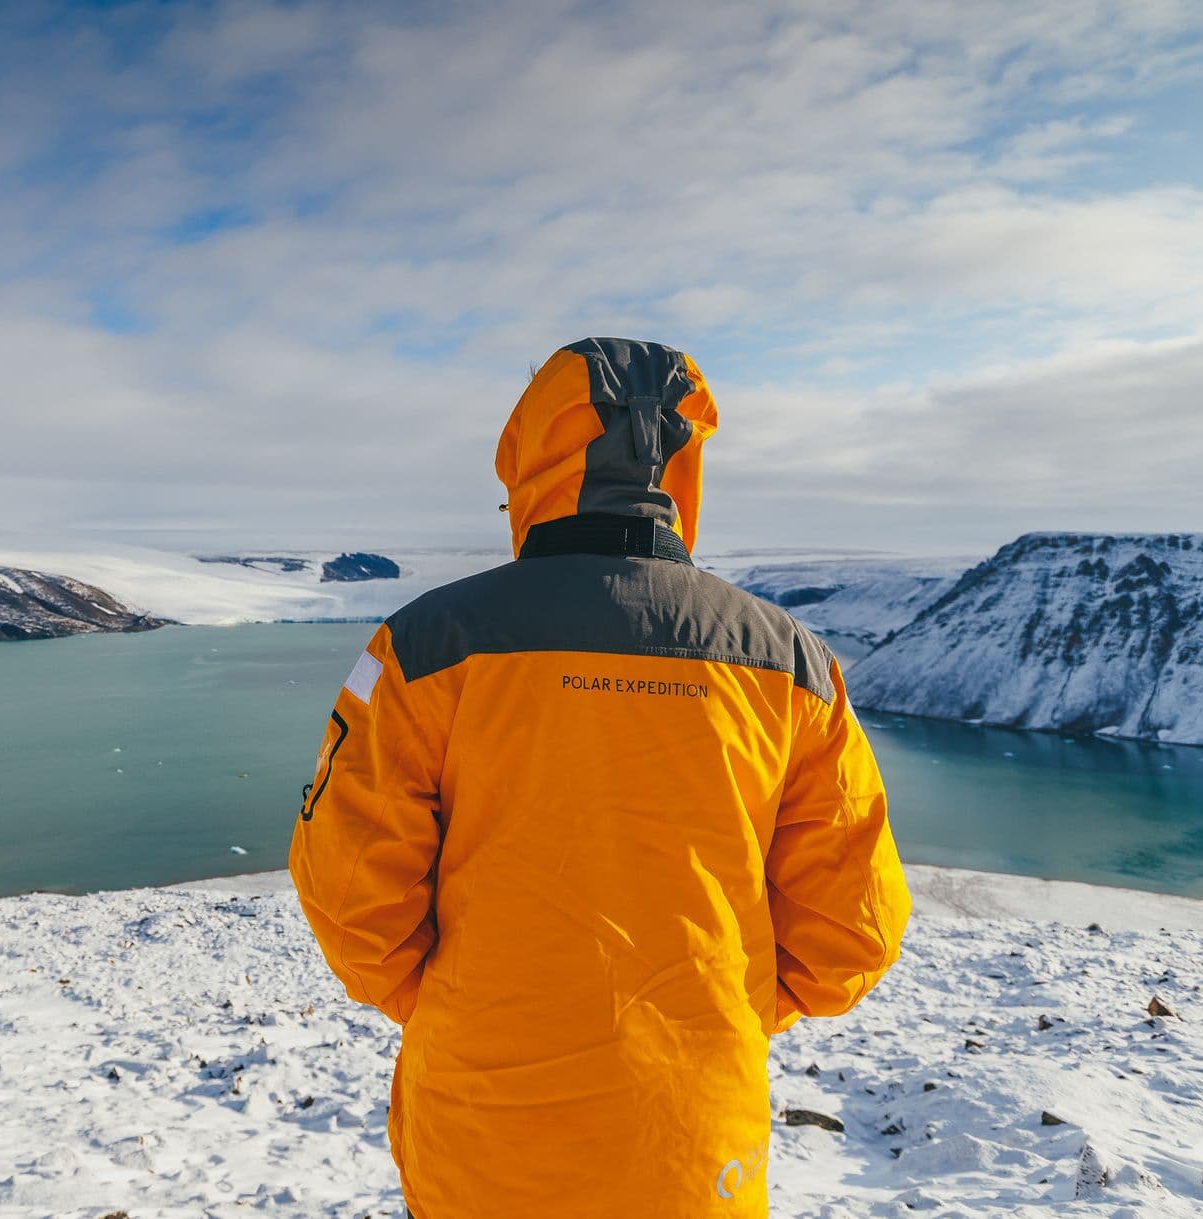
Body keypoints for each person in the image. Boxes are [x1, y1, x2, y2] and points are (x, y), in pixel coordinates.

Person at [288, 337, 912, 1218]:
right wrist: (711, 1004)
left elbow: (352, 903)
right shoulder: (792, 663)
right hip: (698, 1146)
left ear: (528, 461)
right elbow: (853, 933)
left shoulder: (425, 646)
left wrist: (469, 1001)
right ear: (687, 467)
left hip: (484, 1137)